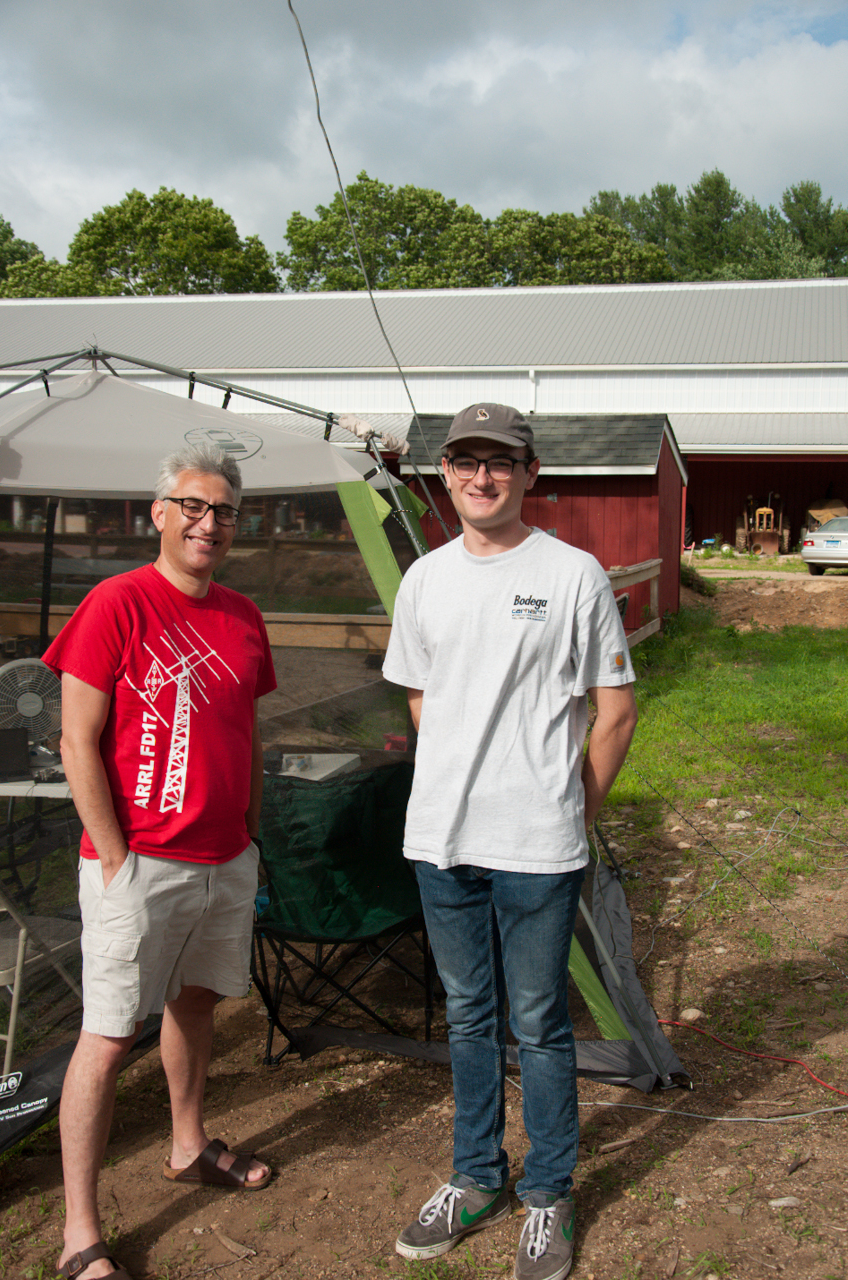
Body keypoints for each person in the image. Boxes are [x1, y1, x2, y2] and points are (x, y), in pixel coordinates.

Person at [382, 404, 638, 1280]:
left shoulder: (573, 575)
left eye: (501, 461)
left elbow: (615, 713)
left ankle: (548, 1192)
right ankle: (476, 1177)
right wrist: (461, 774)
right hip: (440, 841)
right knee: (468, 1016)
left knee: (538, 1022)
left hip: (537, 846)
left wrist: (572, 812)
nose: (482, 477)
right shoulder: (424, 580)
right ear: (446, 473)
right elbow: (421, 696)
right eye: (466, 461)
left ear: (530, 473)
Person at [44, 445, 277, 1280]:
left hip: (224, 858)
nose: (209, 524)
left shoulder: (244, 616)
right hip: (140, 861)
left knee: (197, 1004)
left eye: (224, 513)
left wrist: (249, 835)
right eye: (193, 507)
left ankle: (187, 1146)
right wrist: (115, 857)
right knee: (109, 1037)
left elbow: (247, 735)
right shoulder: (116, 603)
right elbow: (76, 740)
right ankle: (79, 1233)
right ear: (160, 514)